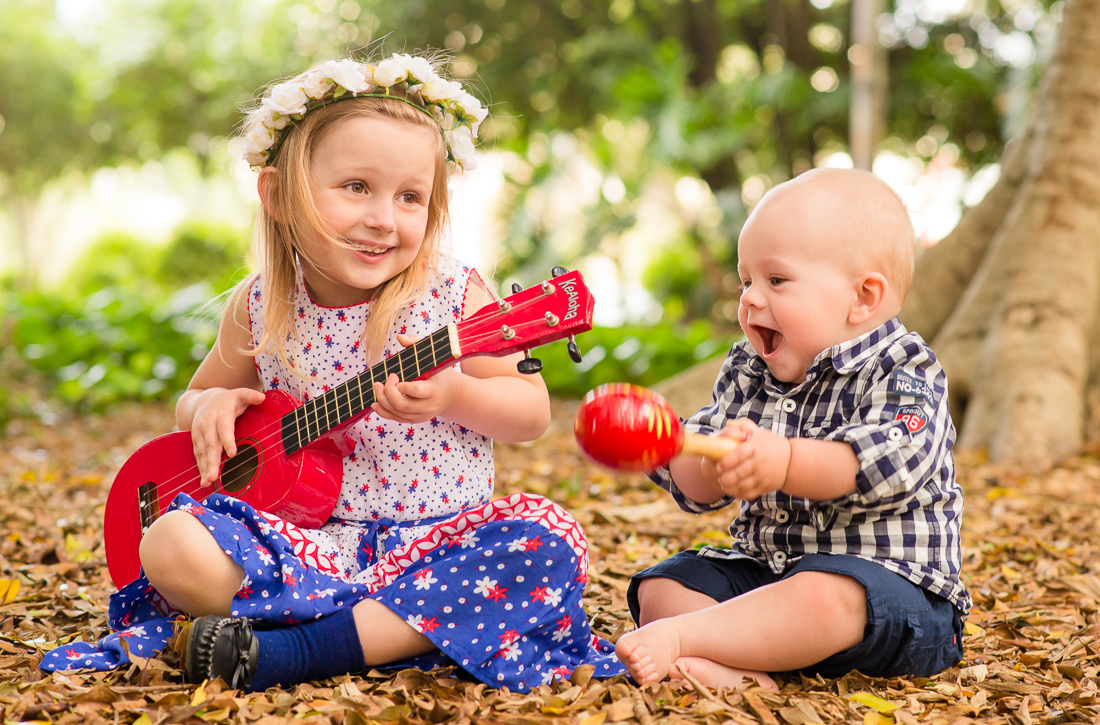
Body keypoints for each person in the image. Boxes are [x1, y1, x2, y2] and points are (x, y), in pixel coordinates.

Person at [40, 53, 624, 691]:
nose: (383, 218)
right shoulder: (262, 304)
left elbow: (531, 411)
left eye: (410, 197)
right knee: (169, 540)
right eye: (356, 188)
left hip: (442, 549)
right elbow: (201, 392)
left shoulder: (454, 295)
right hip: (309, 548)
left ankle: (301, 649)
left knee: (546, 540)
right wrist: (204, 408)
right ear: (278, 196)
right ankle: (398, 634)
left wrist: (454, 393)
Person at [615, 168, 970, 690]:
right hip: (772, 574)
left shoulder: (906, 370)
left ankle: (689, 641)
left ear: (864, 298)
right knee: (665, 587)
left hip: (891, 595)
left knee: (825, 595)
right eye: (746, 281)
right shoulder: (748, 369)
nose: (751, 299)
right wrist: (681, 450)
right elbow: (695, 483)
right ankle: (745, 671)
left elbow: (881, 464)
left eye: (776, 280)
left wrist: (782, 462)